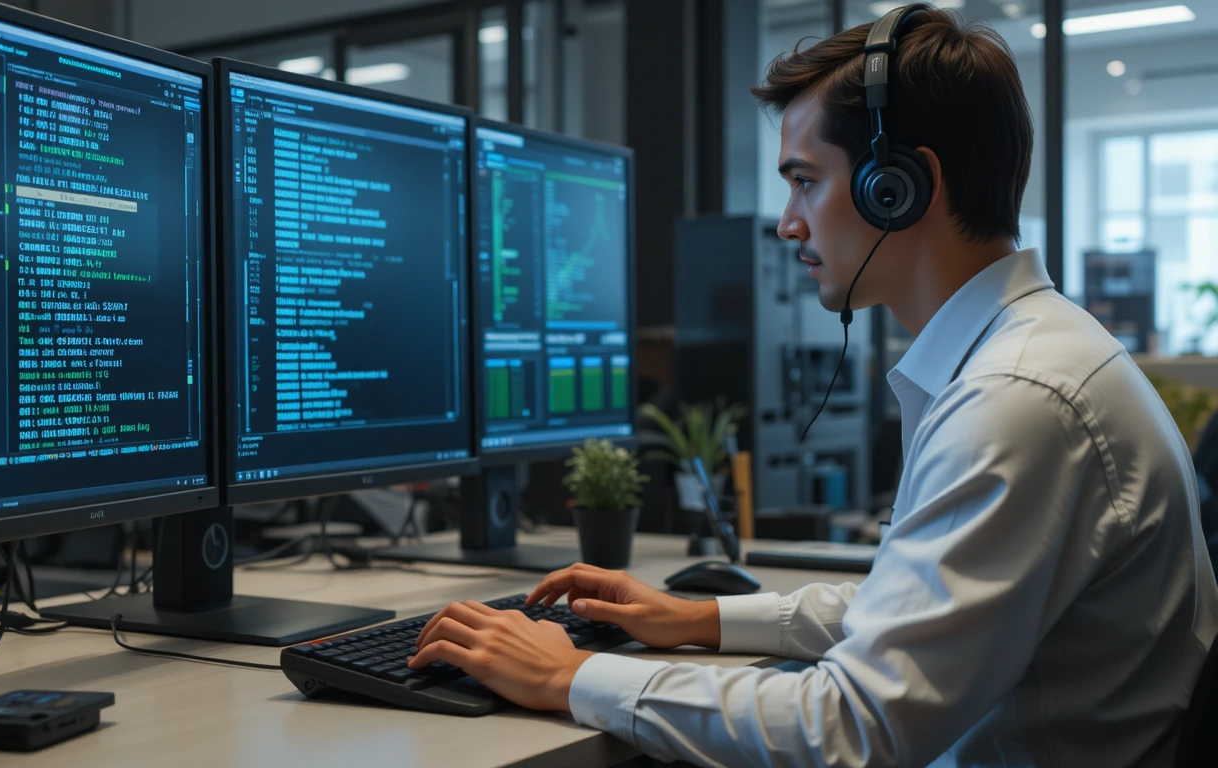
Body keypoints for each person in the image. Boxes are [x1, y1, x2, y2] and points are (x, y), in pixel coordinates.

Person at [409, 4, 1218, 765]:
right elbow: (917, 609)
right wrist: (700, 618)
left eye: (804, 181)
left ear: (898, 188)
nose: (788, 222)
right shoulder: (1027, 354)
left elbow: (852, 729)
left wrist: (568, 677)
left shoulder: (1019, 398)